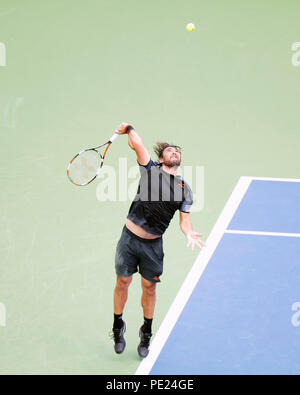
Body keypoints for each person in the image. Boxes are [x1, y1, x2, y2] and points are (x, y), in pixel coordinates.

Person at [111, 122, 205, 358]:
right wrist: (129, 128)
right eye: (170, 150)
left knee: (149, 288)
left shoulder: (185, 188)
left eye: (177, 151)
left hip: (153, 245)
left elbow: (185, 221)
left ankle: (146, 331)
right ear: (161, 159)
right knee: (123, 282)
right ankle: (117, 325)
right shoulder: (150, 170)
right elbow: (138, 145)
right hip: (128, 240)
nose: (175, 152)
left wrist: (189, 232)